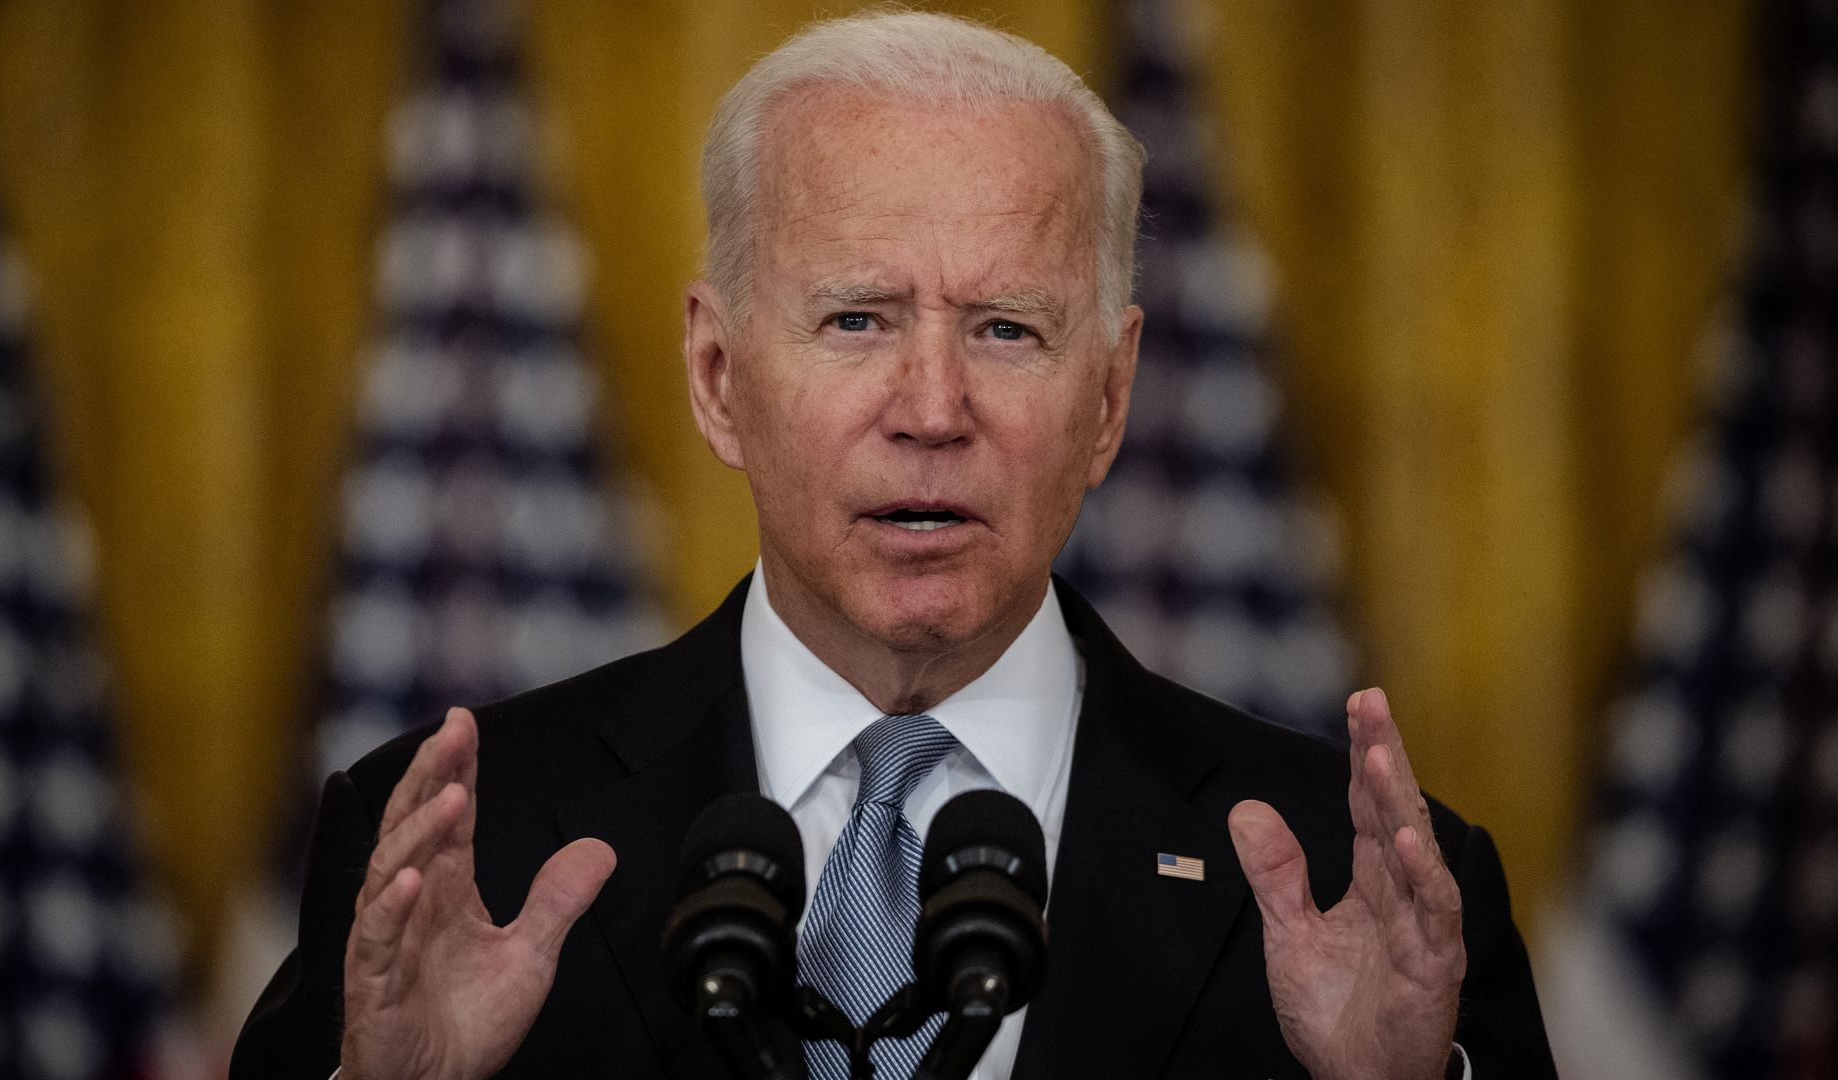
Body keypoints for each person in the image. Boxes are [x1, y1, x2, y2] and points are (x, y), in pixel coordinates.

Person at [233, 11, 1554, 1080]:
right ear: (717, 377)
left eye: (1007, 329)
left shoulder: (1370, 891)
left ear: (1108, 399)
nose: (932, 410)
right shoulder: (463, 853)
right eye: (858, 320)